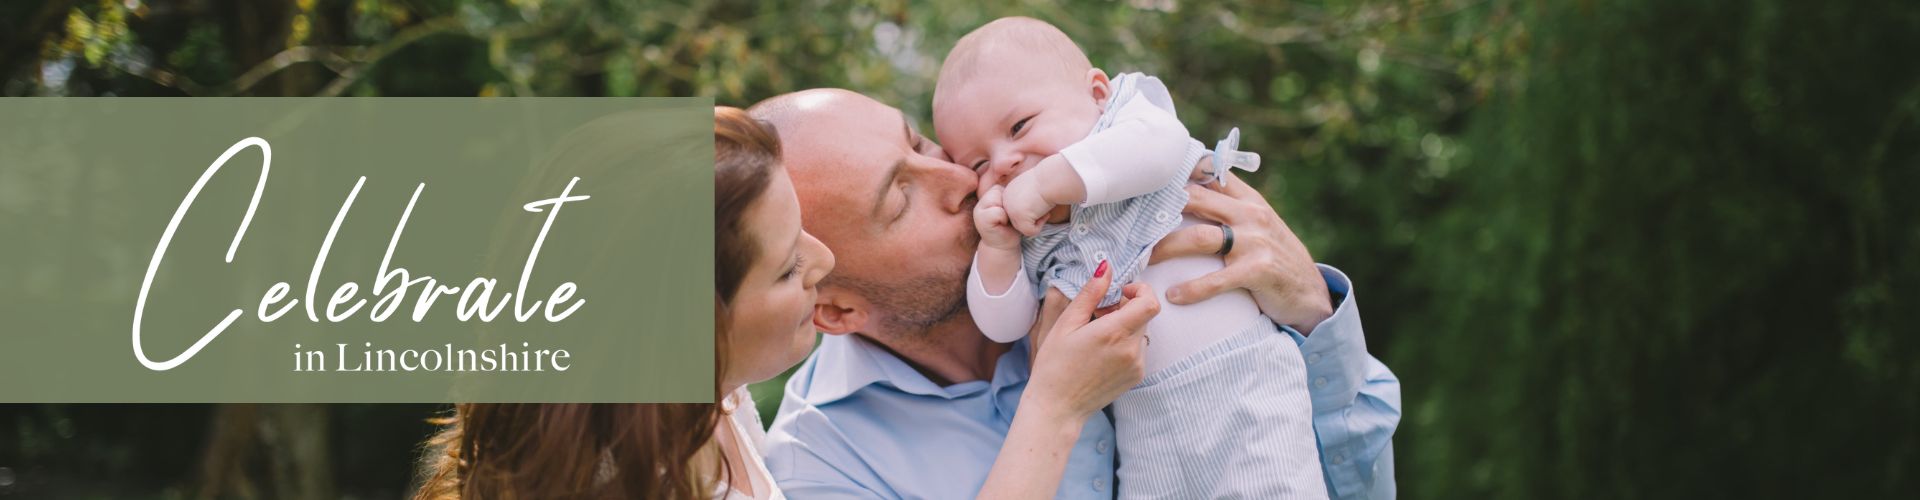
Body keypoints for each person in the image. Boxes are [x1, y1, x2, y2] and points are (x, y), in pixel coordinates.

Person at [414, 107, 1147, 499]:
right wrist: (1055, 409)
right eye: (791, 265)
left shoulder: (708, 410)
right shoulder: (813, 455)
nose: (821, 266)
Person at [752, 87, 1400, 499]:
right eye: (901, 198)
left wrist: (1311, 309)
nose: (958, 176)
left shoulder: (1110, 230)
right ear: (836, 308)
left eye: (918, 142)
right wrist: (1055, 409)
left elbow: (1355, 483)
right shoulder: (821, 469)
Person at [933, 17, 1323, 499]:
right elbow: (1004, 325)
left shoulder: (1132, 124)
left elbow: (1161, 149)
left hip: (1243, 382)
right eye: (977, 164)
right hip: (1142, 419)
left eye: (1019, 126)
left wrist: (1045, 182)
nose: (1003, 163)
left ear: (1097, 93)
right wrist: (998, 249)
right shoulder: (1031, 232)